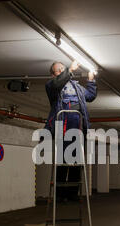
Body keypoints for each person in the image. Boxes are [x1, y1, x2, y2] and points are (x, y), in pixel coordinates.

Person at [45, 60, 97, 201]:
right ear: (52, 74)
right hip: (62, 126)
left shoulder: (77, 87)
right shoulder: (51, 86)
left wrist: (91, 81)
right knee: (62, 162)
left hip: (78, 127)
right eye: (59, 69)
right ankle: (60, 195)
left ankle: (72, 194)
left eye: (64, 68)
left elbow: (90, 96)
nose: (62, 71)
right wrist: (71, 69)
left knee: (76, 162)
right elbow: (57, 83)